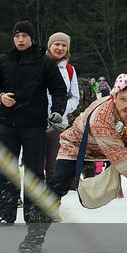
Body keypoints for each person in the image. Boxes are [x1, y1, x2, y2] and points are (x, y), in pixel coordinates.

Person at [20, 74, 127, 253]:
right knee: (56, 186)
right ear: (114, 97)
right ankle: (34, 237)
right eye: (123, 99)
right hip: (79, 146)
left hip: (125, 146)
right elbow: (122, 163)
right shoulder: (103, 115)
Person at [0, 21, 68, 225]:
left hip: (34, 125)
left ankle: (33, 216)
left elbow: (58, 90)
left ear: (31, 38)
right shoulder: (3, 60)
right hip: (7, 123)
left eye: (24, 36)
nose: (21, 40)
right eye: (17, 36)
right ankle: (5, 214)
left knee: (34, 172)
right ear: (13, 38)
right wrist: (1, 96)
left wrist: (57, 111)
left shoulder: (45, 62)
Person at [42, 32, 81, 198]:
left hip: (58, 124)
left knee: (53, 166)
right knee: (35, 165)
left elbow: (75, 97)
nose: (60, 48)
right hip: (36, 121)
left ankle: (51, 202)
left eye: (64, 45)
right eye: (56, 44)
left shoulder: (70, 70)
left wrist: (61, 111)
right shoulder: (39, 64)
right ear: (49, 46)